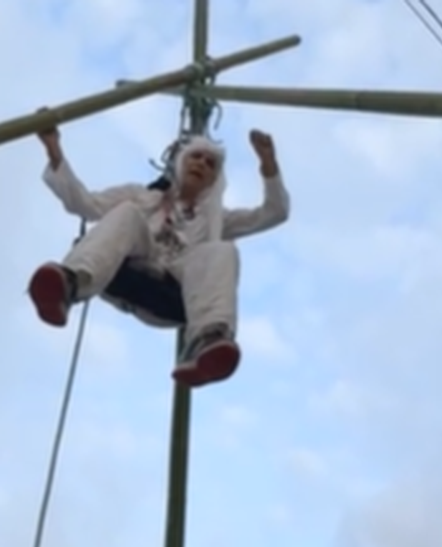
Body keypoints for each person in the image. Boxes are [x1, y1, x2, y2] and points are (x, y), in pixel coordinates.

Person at [27, 120, 290, 388]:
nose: (201, 164)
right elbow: (84, 203)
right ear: (181, 163)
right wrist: (53, 148)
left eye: (210, 164)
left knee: (223, 250)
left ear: (214, 181)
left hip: (169, 295)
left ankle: (209, 339)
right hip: (122, 272)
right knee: (128, 212)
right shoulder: (141, 196)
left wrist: (268, 163)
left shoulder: (217, 221)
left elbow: (274, 213)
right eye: (196, 157)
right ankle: (71, 283)